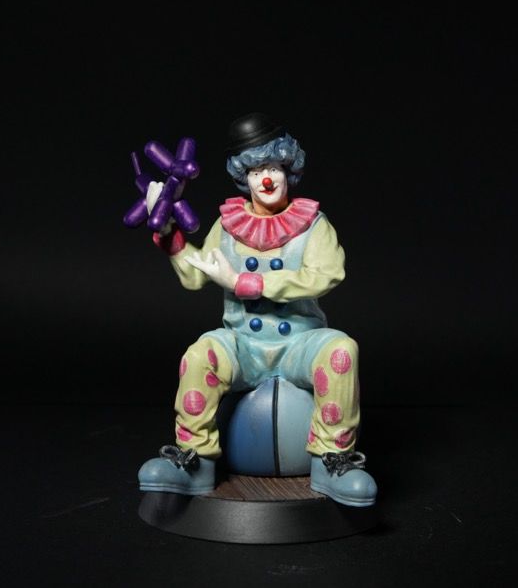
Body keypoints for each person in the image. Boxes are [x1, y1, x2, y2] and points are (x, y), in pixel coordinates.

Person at [136, 113, 377, 507]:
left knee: (341, 351)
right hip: (244, 345)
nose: (266, 180)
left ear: (288, 171)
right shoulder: (228, 225)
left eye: (274, 168)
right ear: (243, 177)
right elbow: (197, 276)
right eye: (255, 171)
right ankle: (193, 460)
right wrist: (171, 237)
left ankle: (332, 460)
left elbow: (327, 274)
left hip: (299, 343)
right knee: (200, 355)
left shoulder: (313, 224)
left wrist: (248, 282)